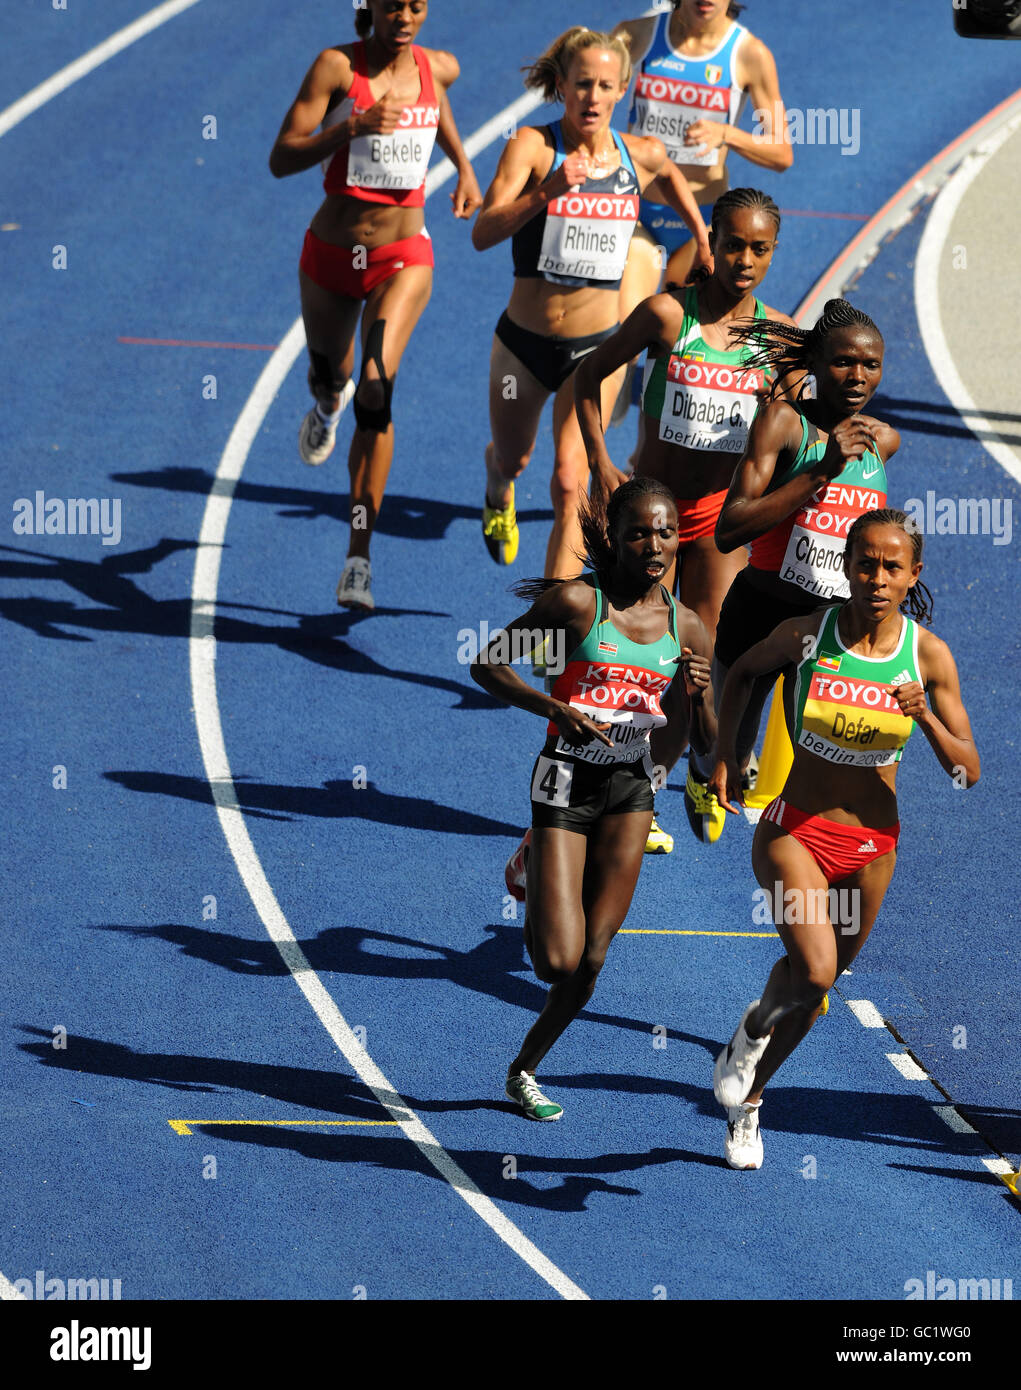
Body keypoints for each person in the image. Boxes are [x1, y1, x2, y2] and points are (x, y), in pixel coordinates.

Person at [707, 509, 979, 1169]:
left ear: (912, 574)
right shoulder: (808, 636)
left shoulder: (926, 657)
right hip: (794, 832)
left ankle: (750, 1090)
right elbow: (743, 670)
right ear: (845, 568)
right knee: (819, 972)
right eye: (865, 564)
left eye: (891, 567)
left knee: (808, 991)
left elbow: (966, 770)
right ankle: (750, 1038)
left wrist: (927, 721)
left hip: (871, 848)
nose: (877, 578)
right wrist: (725, 756)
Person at [470, 477, 715, 1120]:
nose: (655, 544)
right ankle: (534, 859)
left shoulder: (687, 626)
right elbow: (489, 664)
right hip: (564, 779)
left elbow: (706, 740)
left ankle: (523, 1069)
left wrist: (702, 695)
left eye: (666, 531)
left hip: (630, 790)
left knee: (592, 960)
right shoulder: (579, 605)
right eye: (639, 532)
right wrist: (554, 707)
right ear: (615, 536)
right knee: (556, 961)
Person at [575, 188, 794, 851]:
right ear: (712, 245)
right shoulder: (667, 316)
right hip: (650, 517)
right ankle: (607, 780)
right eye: (733, 245)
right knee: (631, 655)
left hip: (720, 524)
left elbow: (790, 436)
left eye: (759, 249)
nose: (745, 260)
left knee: (693, 662)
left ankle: (668, 783)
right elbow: (587, 377)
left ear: (772, 251)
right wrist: (600, 462)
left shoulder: (780, 342)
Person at [473, 26, 709, 583]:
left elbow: (672, 178)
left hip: (595, 350)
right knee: (516, 458)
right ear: (561, 85)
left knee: (568, 483)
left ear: (623, 88)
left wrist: (701, 238)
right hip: (524, 345)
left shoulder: (638, 155)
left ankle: (551, 625)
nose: (593, 97)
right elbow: (483, 231)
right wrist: (547, 192)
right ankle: (496, 479)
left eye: (606, 85)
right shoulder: (533, 147)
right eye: (582, 84)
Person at [269, 0, 481, 610]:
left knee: (377, 387)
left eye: (417, 4)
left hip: (401, 257)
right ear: (371, 6)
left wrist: (464, 167)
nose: (406, 15)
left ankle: (358, 556)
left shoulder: (438, 66)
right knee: (330, 375)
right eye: (394, 4)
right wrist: (348, 129)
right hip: (333, 256)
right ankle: (325, 403)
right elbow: (281, 157)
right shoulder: (336, 69)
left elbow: (435, 109)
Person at [680, 298, 900, 843]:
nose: (857, 376)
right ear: (817, 363)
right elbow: (729, 529)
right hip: (760, 609)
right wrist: (820, 472)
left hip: (827, 625)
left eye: (870, 365)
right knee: (725, 746)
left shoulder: (882, 441)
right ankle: (701, 770)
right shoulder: (784, 425)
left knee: (823, 749)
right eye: (844, 362)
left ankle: (806, 849)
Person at [613, 0, 792, 315]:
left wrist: (726, 133)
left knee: (676, 342)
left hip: (702, 223)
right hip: (639, 211)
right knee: (627, 328)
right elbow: (586, 97)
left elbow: (782, 152)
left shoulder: (750, 54)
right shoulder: (635, 35)